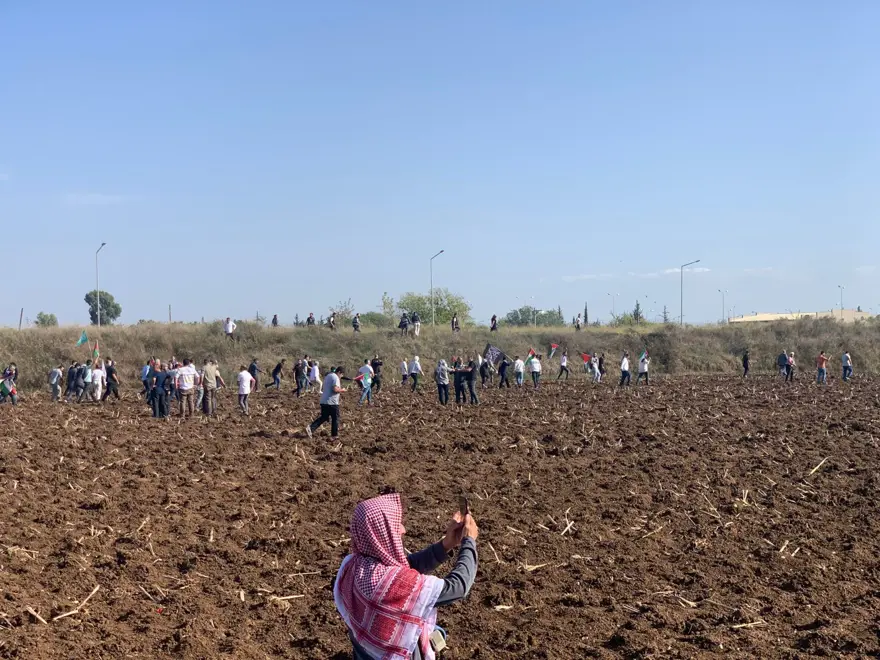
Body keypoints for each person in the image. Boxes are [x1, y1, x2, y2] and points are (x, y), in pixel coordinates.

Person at [334, 491, 478, 660]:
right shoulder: (395, 586)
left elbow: (402, 569)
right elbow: (458, 587)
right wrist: (469, 541)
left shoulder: (353, 565)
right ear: (379, 532)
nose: (403, 530)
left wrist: (445, 545)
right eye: (396, 524)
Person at [306, 366, 346, 438]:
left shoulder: (328, 376)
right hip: (332, 402)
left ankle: (310, 428)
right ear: (339, 372)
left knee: (324, 417)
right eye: (342, 374)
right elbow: (335, 389)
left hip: (324, 400)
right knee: (335, 418)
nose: (341, 376)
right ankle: (334, 435)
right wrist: (342, 390)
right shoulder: (335, 377)